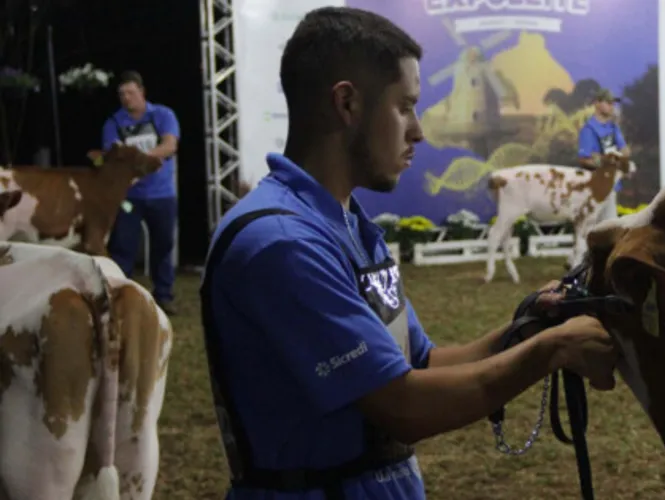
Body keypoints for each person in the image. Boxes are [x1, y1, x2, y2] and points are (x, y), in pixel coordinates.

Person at [199, 7, 619, 500]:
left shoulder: (349, 227)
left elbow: (424, 364)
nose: (418, 130)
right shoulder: (280, 244)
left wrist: (530, 324)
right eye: (405, 106)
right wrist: (551, 351)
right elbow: (404, 407)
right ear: (347, 104)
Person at [102, 70, 182, 313]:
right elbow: (111, 156)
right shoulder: (114, 123)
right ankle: (119, 295)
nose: (126, 98)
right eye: (122, 94)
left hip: (162, 194)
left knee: (163, 245)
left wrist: (140, 159)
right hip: (129, 198)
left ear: (142, 92)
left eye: (130, 92)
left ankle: (163, 295)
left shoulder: (162, 115)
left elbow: (170, 145)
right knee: (123, 246)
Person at [578, 88, 630, 224]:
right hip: (596, 188)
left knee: (610, 225)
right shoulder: (588, 129)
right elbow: (584, 159)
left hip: (611, 186)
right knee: (598, 227)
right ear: (597, 103)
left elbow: (625, 150)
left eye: (613, 103)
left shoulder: (613, 127)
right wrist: (607, 161)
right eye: (608, 103)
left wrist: (613, 158)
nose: (612, 106)